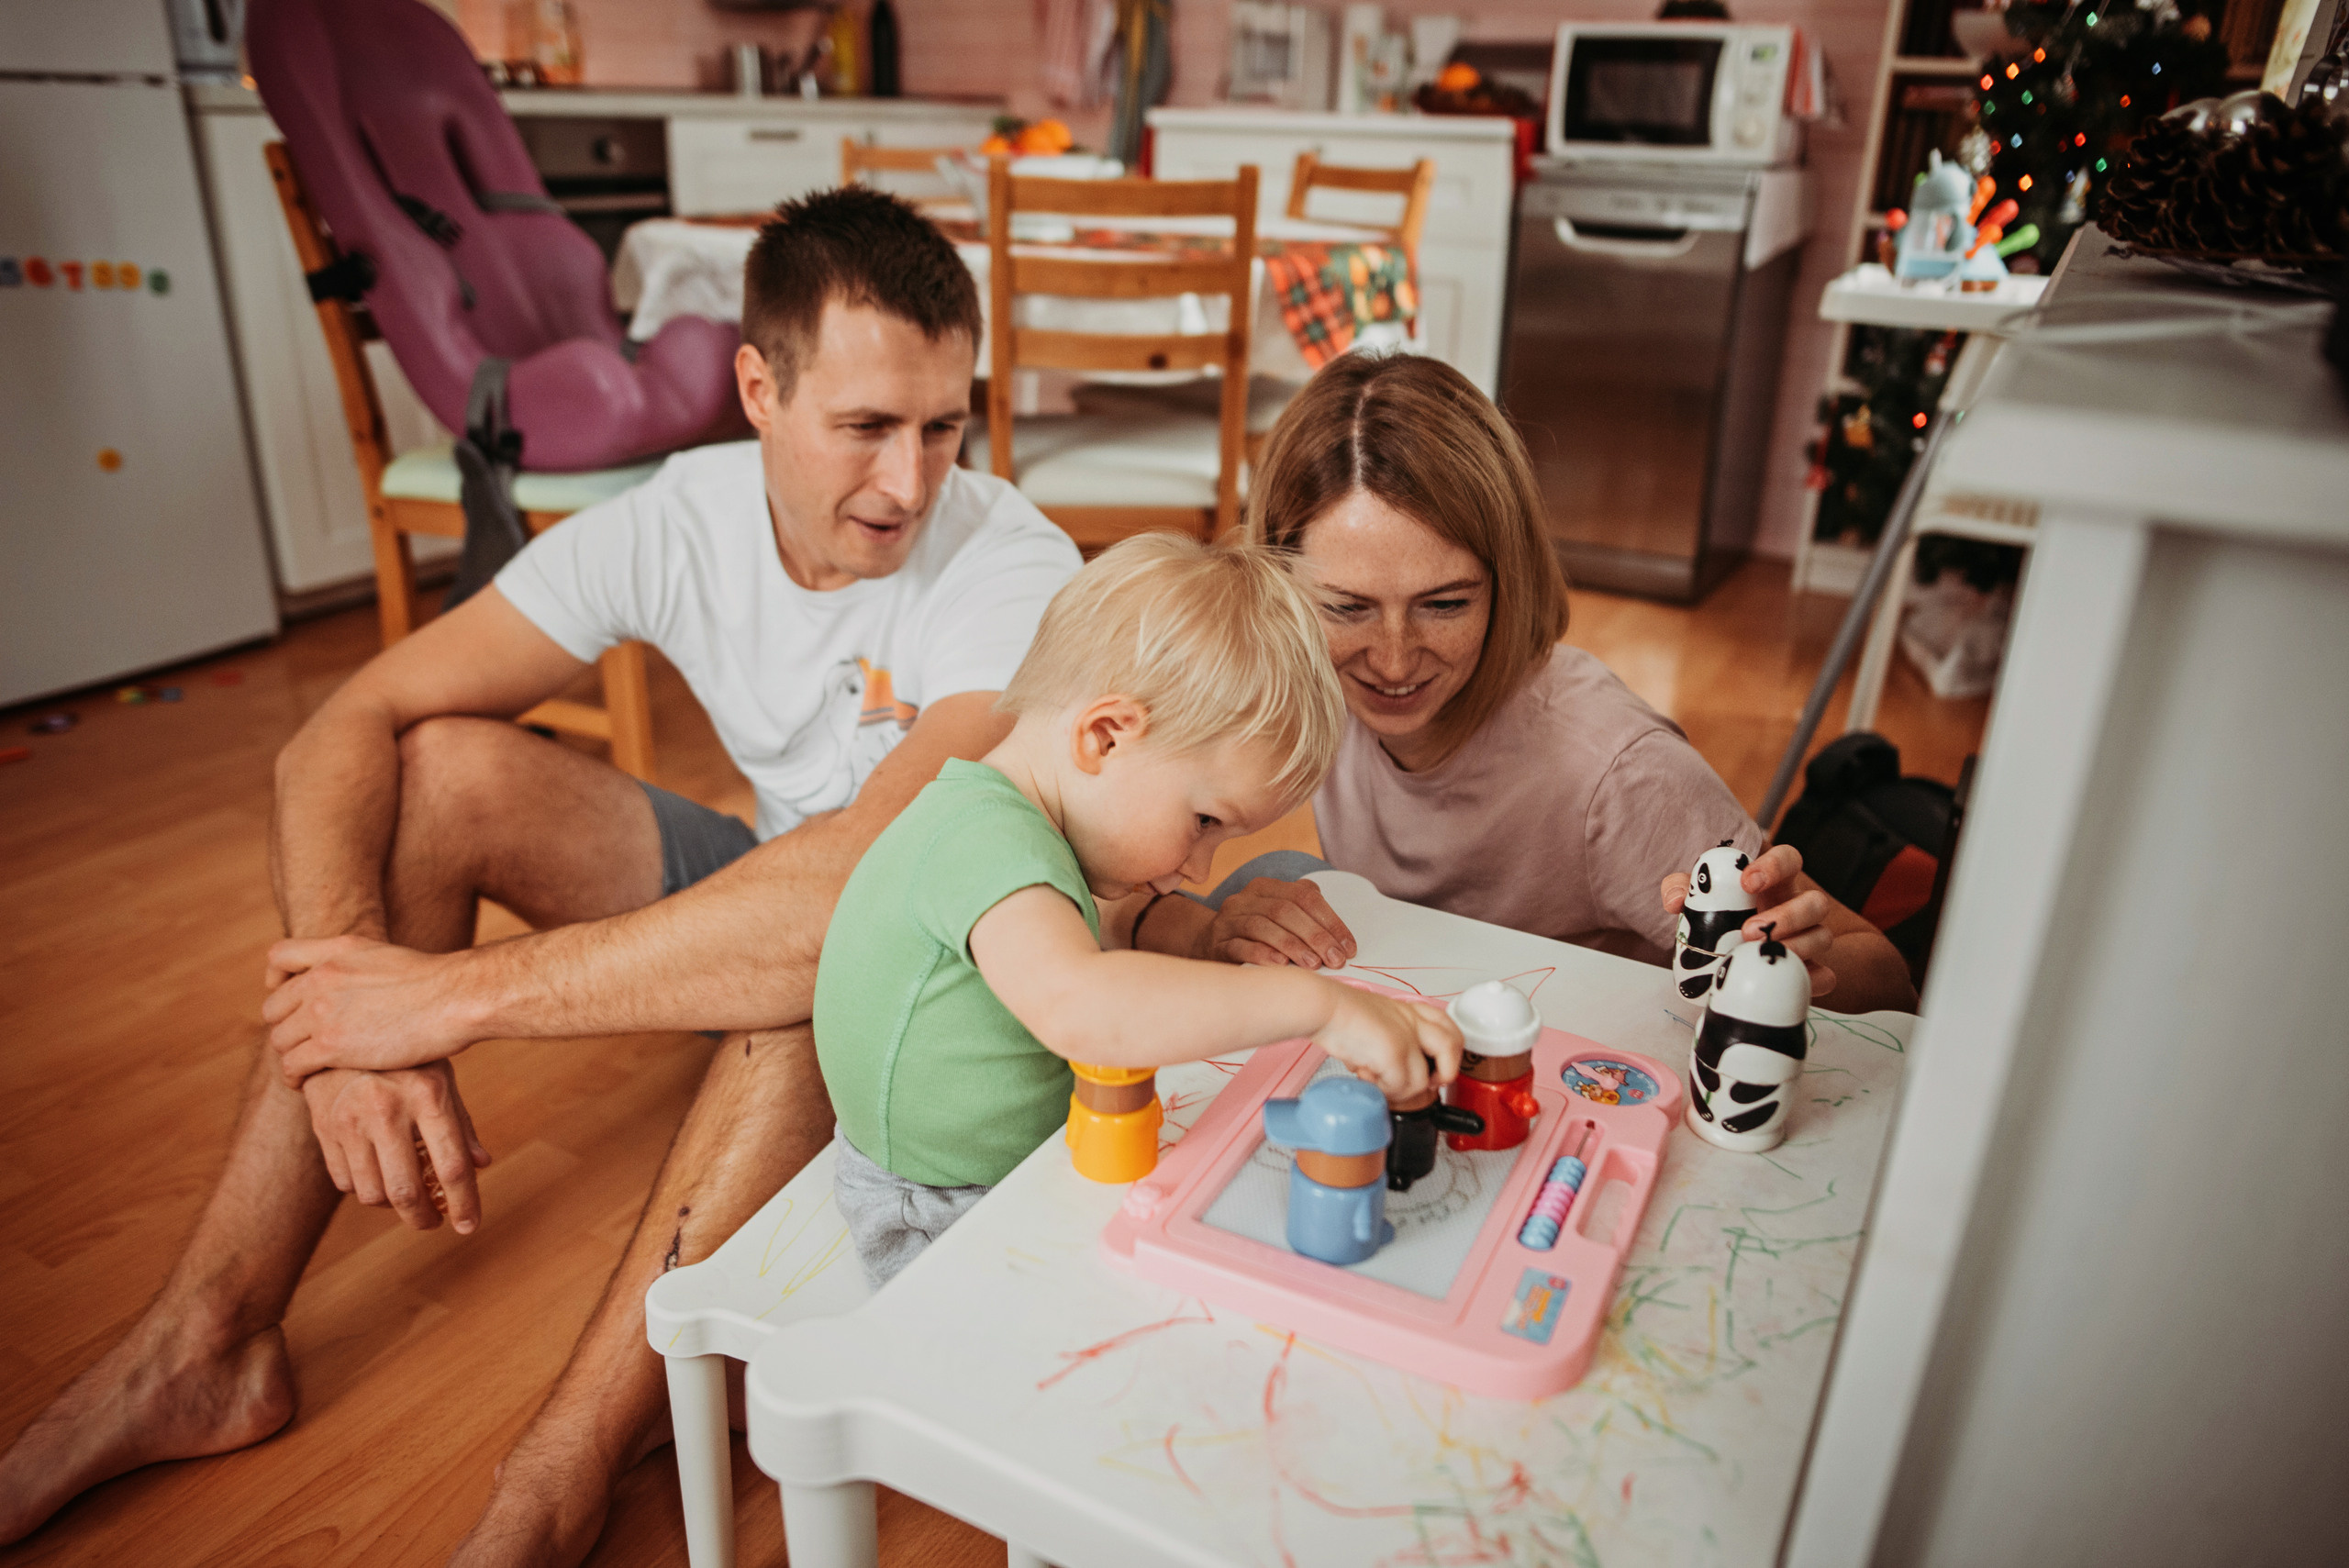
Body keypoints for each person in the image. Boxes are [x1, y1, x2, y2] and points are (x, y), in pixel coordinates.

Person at [0, 186, 1081, 1565]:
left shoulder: (1009, 564)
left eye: (943, 426)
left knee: (809, 968)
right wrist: (351, 1025)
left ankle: (556, 1481)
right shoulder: (675, 519)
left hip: (936, 953)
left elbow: (867, 887)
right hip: (771, 883)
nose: (909, 482)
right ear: (757, 387)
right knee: (445, 769)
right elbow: (343, 728)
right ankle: (198, 1345)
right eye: (864, 427)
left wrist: (447, 1002)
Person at [1134, 353, 1919, 1017]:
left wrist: (1802, 970)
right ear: (1278, 584)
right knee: (1264, 886)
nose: (1396, 659)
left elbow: (1885, 973)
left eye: (1445, 604)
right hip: (1430, 1010)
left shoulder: (1615, 772)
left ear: (1506, 584)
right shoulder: (1304, 685)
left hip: (1585, 1061)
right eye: (1348, 608)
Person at [807, 535, 1464, 1285]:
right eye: (1204, 822)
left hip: (1009, 1169)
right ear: (1106, 735)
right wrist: (1322, 1008)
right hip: (946, 1214)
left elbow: (1104, 924)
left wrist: (1208, 930)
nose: (1196, 865)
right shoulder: (983, 842)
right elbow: (1080, 1003)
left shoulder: (1021, 822)